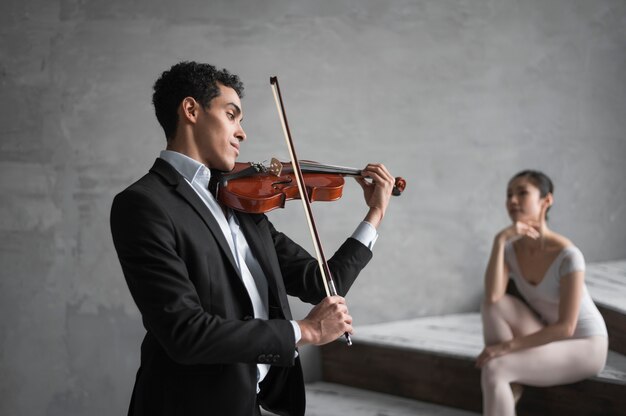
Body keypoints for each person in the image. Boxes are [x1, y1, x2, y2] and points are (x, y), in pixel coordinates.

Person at [110, 61, 395, 416]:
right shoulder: (144, 204)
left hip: (248, 404)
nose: (242, 132)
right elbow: (185, 332)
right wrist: (303, 331)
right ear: (191, 110)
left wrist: (374, 215)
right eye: (232, 115)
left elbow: (321, 284)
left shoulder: (241, 202)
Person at [477, 170, 608, 416]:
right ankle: (513, 382)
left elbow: (566, 327)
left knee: (495, 368)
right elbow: (493, 297)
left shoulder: (568, 255)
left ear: (546, 201)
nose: (513, 200)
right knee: (492, 306)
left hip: (586, 345)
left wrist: (506, 348)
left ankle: (510, 380)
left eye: (522, 193)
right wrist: (500, 239)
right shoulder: (511, 250)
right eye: (509, 194)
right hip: (549, 338)